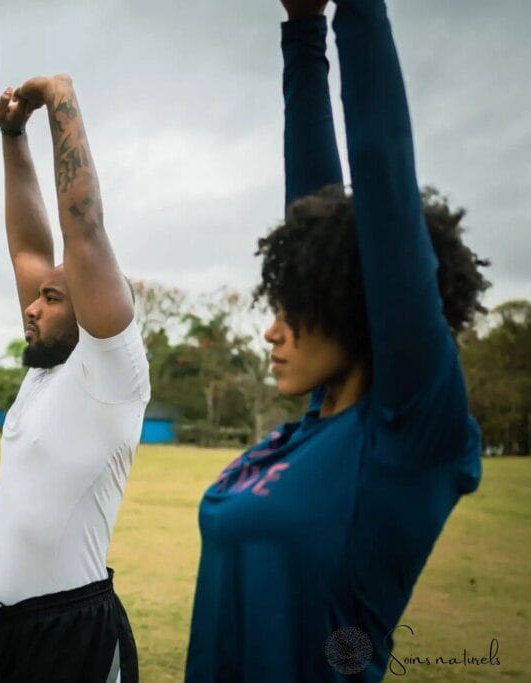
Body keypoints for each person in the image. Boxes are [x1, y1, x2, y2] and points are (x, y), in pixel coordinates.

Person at [183, 1, 490, 680]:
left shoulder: (405, 439)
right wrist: (301, 30)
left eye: (298, 309)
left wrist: (352, 10)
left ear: (359, 306)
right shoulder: (304, 432)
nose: (271, 328)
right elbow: (313, 213)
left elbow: (381, 176)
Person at [0, 74, 150, 682]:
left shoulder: (110, 375)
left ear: (92, 307)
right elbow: (27, 249)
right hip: (10, 628)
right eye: (38, 297)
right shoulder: (46, 369)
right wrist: (12, 134)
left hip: (75, 636)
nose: (31, 304)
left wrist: (59, 98)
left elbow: (84, 227)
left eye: (51, 297)